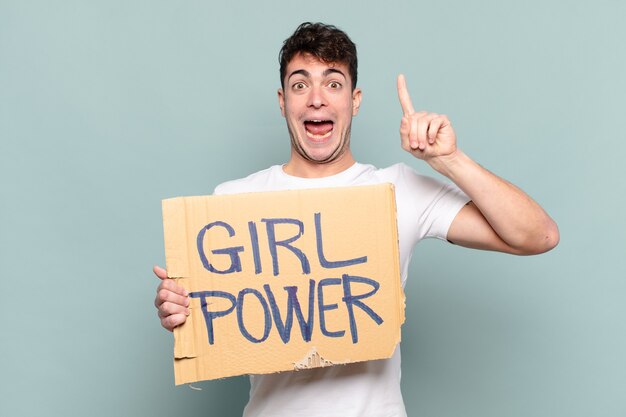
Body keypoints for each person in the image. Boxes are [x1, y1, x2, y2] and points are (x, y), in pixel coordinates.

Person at [153, 22, 559, 417]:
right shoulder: (234, 202)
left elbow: (537, 235)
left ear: (355, 100)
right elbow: (214, 315)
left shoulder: (399, 190)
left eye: (333, 83)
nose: (316, 99)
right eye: (300, 84)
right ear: (283, 101)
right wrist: (181, 309)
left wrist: (449, 161)